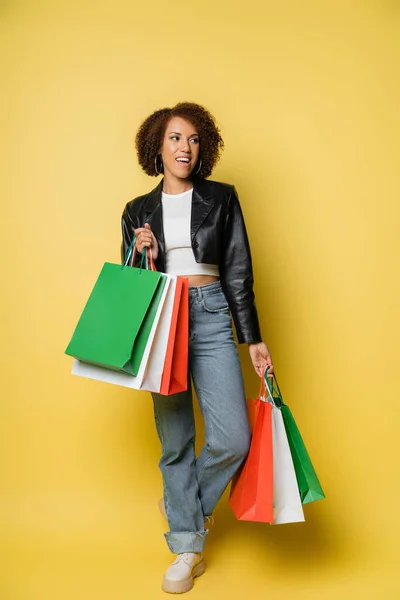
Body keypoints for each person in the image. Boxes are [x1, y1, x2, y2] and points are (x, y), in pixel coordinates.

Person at [121, 102, 274, 594]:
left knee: (233, 439)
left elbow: (237, 270)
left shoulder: (223, 198)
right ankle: (188, 547)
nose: (184, 147)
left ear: (201, 147)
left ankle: (182, 506)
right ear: (157, 147)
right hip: (163, 316)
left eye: (192, 139)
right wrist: (145, 253)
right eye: (174, 138)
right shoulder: (136, 211)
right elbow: (131, 286)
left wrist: (252, 338)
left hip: (209, 313)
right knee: (175, 440)